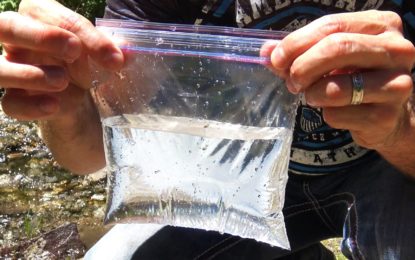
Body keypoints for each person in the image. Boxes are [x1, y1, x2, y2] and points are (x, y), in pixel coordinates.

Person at [1, 0, 415, 259]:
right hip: (226, 180)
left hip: (394, 169)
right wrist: (62, 101)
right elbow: (90, 152)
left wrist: (399, 130)